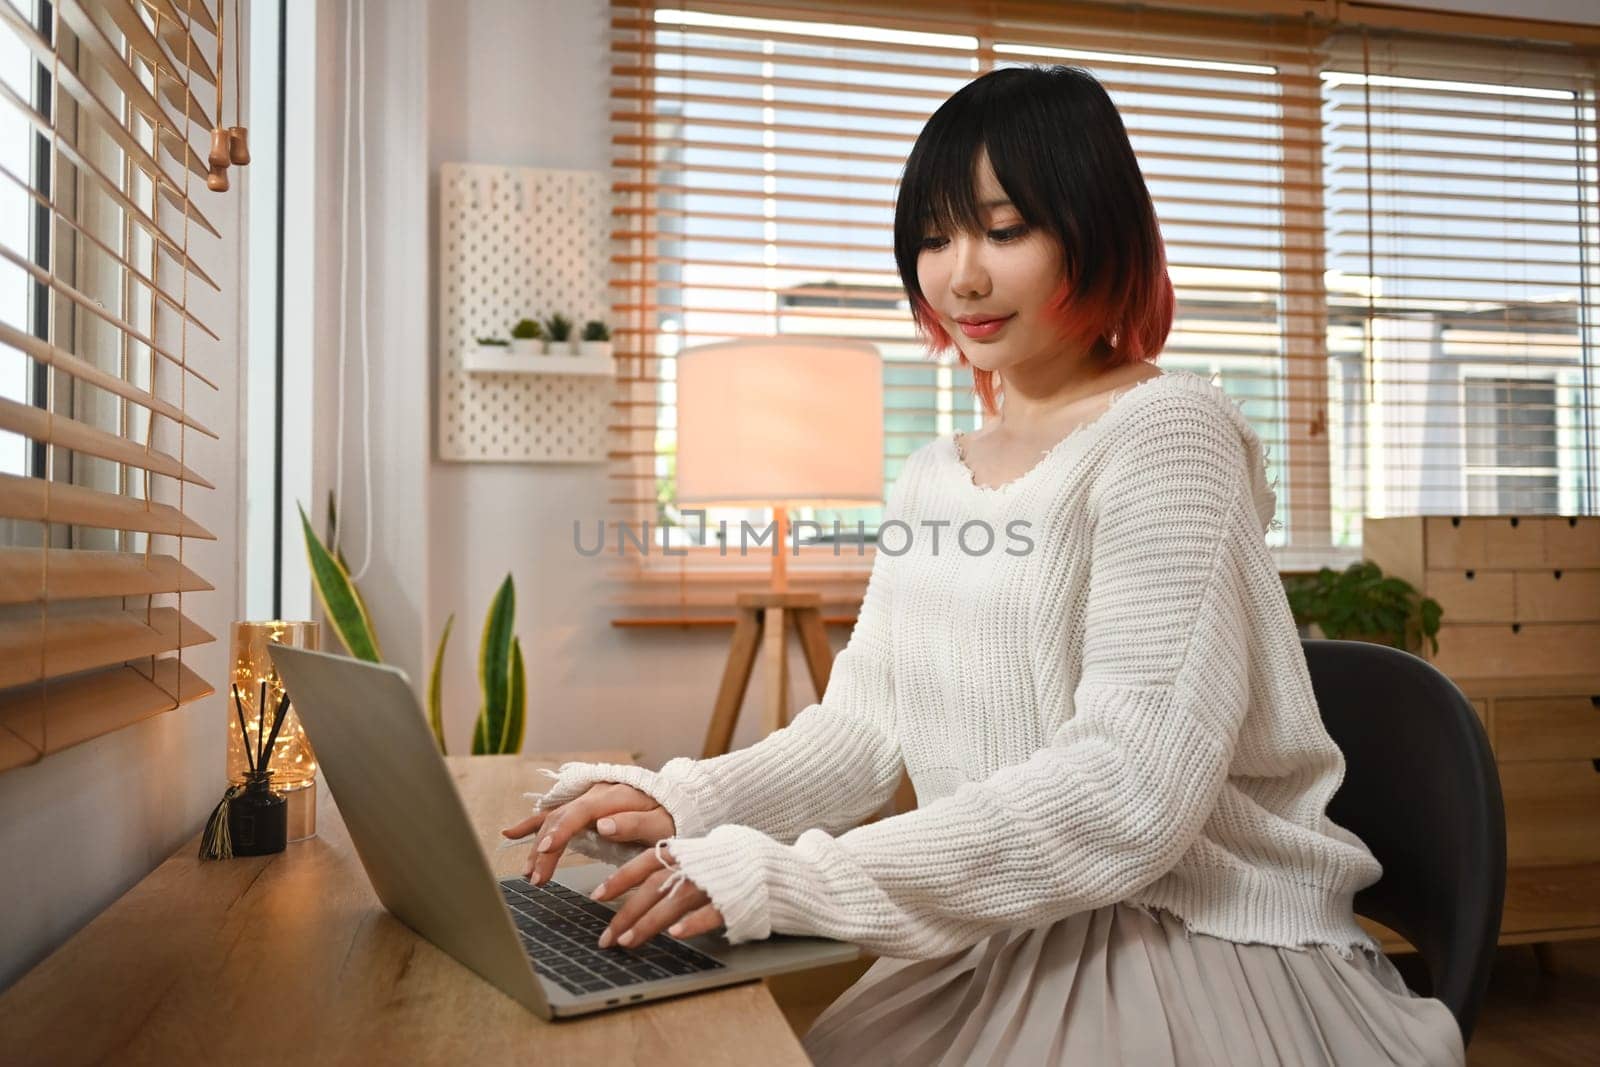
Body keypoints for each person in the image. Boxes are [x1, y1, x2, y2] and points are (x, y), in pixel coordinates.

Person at [502, 65, 1466, 1066]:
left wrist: (789, 876)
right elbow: (864, 728)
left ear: (1097, 230)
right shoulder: (931, 474)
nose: (959, 275)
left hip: (1180, 937)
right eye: (933, 236)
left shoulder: (1171, 435)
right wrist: (687, 799)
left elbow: (1129, 791)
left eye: (1005, 231)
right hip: (1011, 927)